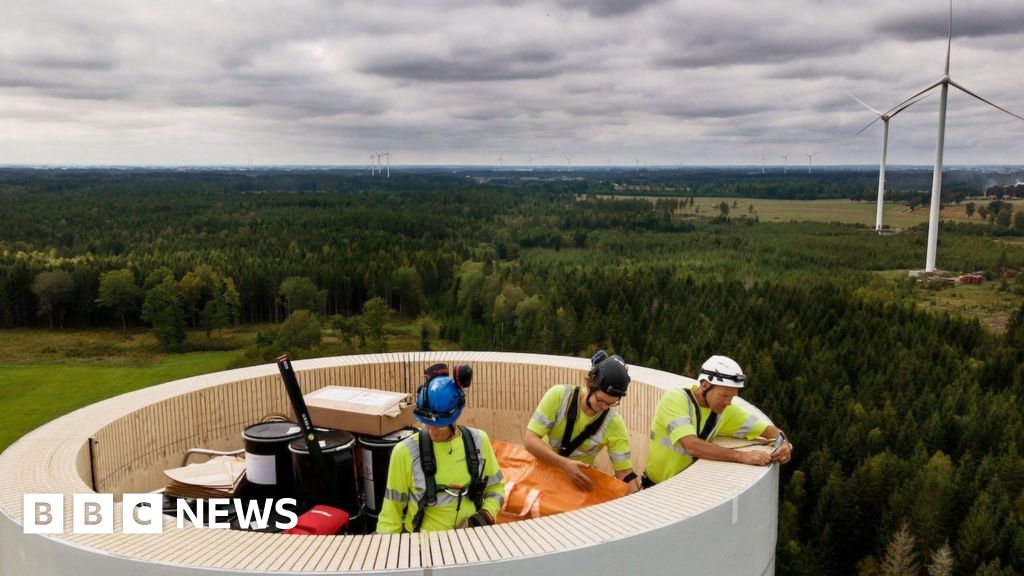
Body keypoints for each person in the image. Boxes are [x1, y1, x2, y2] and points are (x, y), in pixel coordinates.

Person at [376, 363, 505, 533]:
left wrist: (485, 515)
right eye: (427, 424)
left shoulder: (479, 441)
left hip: (471, 543)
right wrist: (387, 550)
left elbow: (496, 488)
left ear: (455, 415)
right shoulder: (404, 452)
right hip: (424, 548)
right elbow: (391, 514)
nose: (432, 431)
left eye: (440, 426)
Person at [643, 355, 793, 488]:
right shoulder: (675, 399)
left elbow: (767, 430)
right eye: (724, 395)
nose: (728, 402)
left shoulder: (724, 411)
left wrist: (783, 442)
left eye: (732, 397)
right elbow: (691, 445)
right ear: (705, 386)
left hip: (684, 488)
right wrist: (742, 456)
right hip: (656, 486)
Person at [524, 350, 641, 494]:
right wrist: (565, 464)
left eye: (611, 404)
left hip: (578, 484)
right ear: (589, 384)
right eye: (600, 400)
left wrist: (637, 500)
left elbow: (624, 472)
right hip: (542, 473)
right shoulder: (559, 396)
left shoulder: (614, 424)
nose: (604, 407)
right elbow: (530, 440)